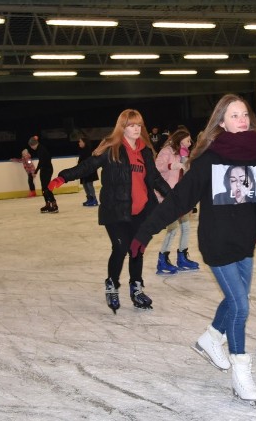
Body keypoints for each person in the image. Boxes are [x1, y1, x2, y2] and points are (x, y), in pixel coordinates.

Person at [129, 94, 256, 406]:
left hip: (245, 242)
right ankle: (241, 370)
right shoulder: (209, 160)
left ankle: (212, 339)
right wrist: (145, 233)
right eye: (234, 115)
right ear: (222, 123)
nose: (241, 119)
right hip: (217, 241)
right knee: (240, 306)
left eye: (244, 115)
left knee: (235, 299)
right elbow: (178, 200)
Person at [48, 109, 171, 313]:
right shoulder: (112, 149)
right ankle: (112, 284)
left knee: (137, 249)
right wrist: (63, 177)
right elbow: (88, 166)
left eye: (138, 125)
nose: (136, 129)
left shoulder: (145, 151)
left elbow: (155, 178)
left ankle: (136, 288)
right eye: (131, 125)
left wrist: (174, 197)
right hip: (116, 209)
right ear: (122, 127)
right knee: (121, 247)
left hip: (142, 210)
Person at [154, 128, 199, 274]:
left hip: (181, 197)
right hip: (168, 196)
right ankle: (163, 260)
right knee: (172, 229)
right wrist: (171, 166)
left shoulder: (184, 154)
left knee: (186, 227)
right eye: (187, 139)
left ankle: (182, 257)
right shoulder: (167, 151)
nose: (190, 142)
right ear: (180, 140)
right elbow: (156, 168)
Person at [28, 136, 57, 213]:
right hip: (44, 169)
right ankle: (47, 204)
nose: (31, 148)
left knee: (47, 188)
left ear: (33, 144)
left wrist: (36, 171)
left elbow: (42, 161)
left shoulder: (41, 149)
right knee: (44, 188)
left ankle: (54, 204)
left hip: (47, 170)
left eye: (31, 146)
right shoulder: (40, 149)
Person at [77, 135, 99, 207]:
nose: (79, 143)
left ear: (84, 143)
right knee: (85, 184)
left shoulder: (89, 151)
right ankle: (89, 198)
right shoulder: (83, 151)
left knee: (89, 185)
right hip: (84, 171)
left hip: (89, 171)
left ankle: (94, 199)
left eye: (80, 141)